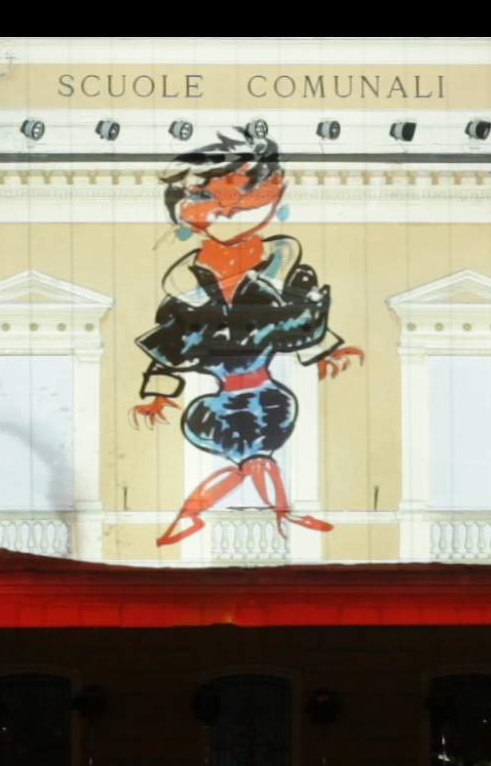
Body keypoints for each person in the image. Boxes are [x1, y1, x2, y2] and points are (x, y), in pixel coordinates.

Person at [130, 128, 362, 546]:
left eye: (243, 201)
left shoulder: (280, 260)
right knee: (254, 460)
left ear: (274, 194)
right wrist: (159, 394)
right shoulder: (184, 282)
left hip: (263, 398)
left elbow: (295, 316)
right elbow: (172, 340)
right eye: (210, 201)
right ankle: (279, 514)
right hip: (227, 404)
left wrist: (324, 349)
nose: (227, 212)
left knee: (249, 462)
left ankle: (196, 515)